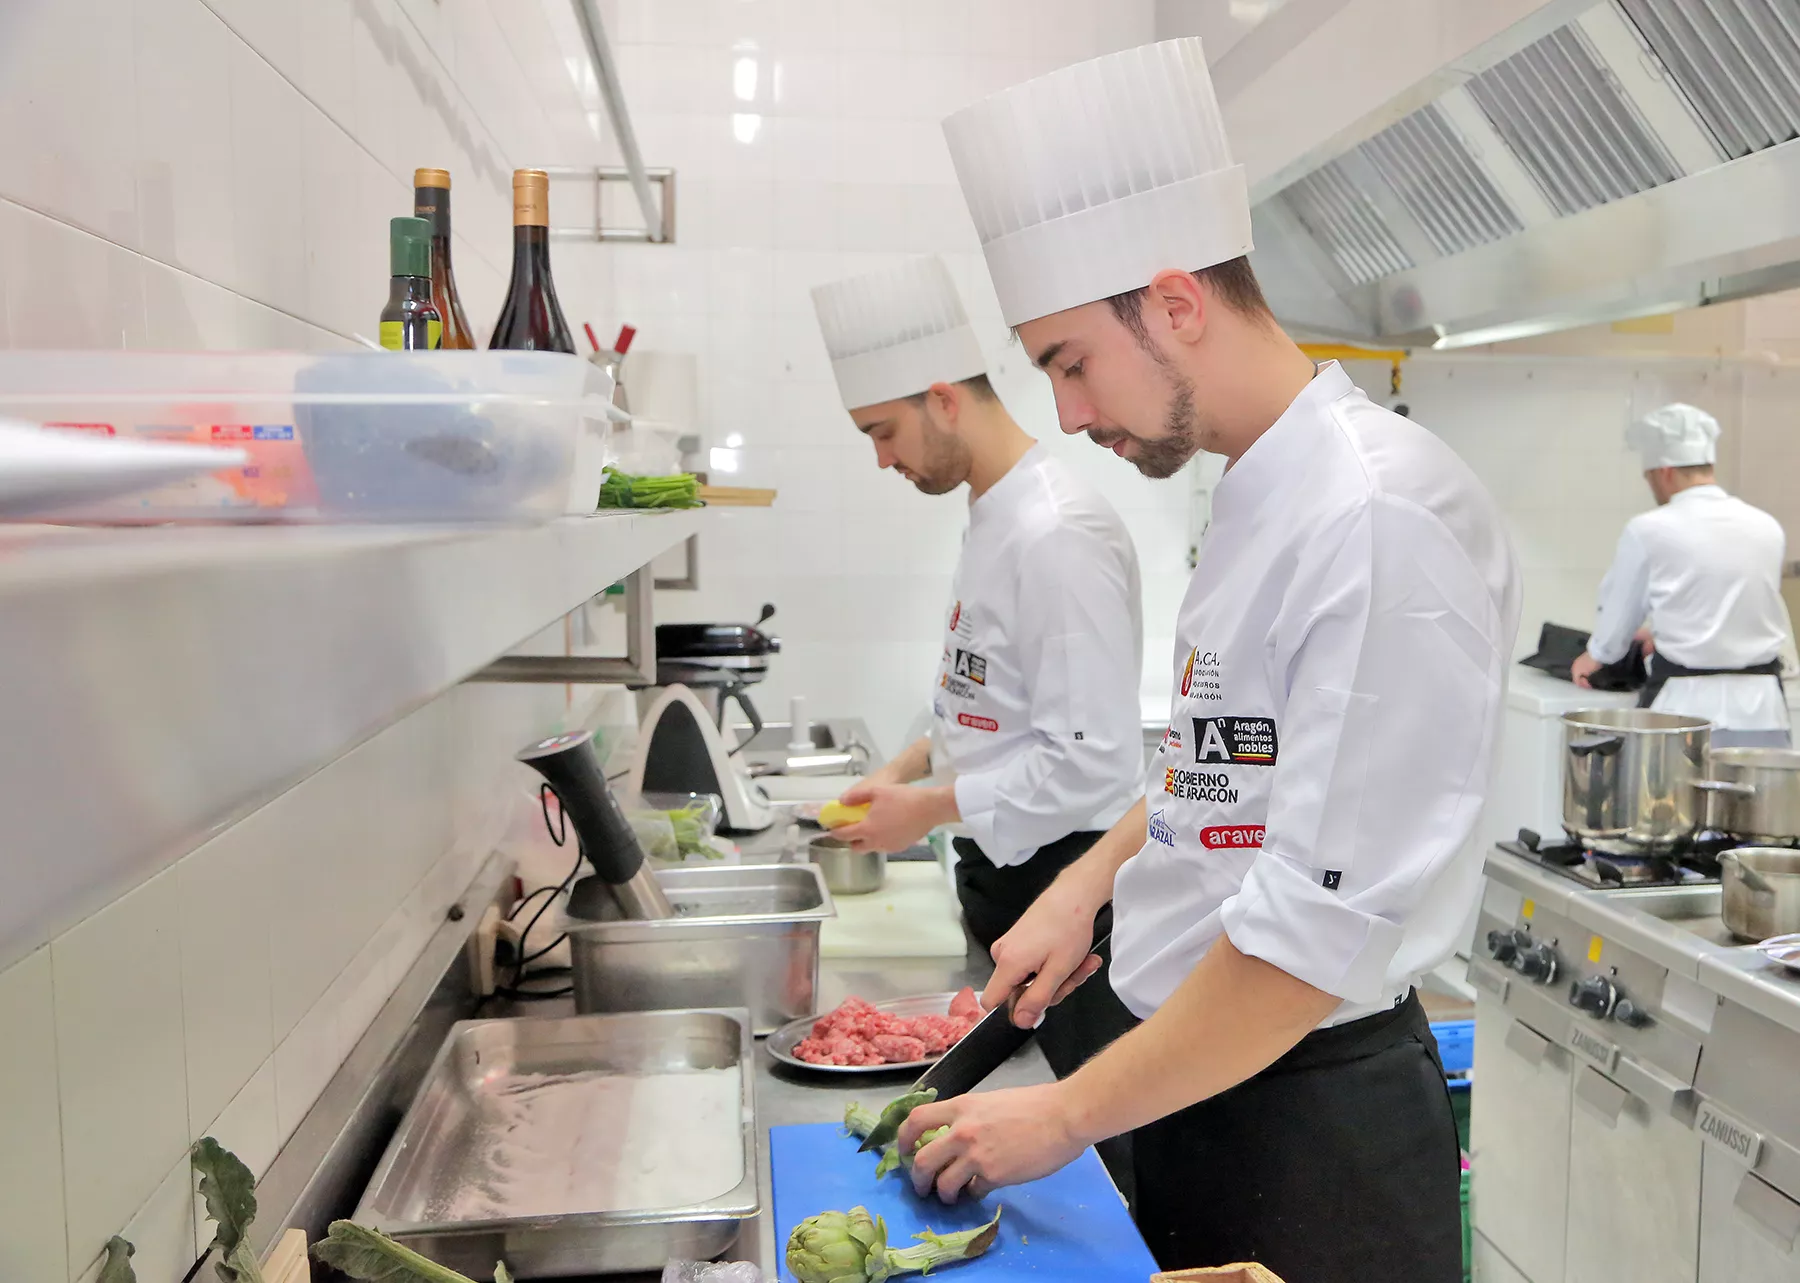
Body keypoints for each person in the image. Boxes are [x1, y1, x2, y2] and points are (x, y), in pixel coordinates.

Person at [894, 38, 1522, 1283]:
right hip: (1199, 1081)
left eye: (1072, 360)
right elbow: (1221, 765)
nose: (1066, 415)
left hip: (1313, 1129)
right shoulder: (1258, 492)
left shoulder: (1375, 514)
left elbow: (1307, 937)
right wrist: (1088, 889)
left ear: (1177, 304)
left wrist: (1065, 1114)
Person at [807, 256, 1145, 1105]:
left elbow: (1091, 762)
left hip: (1071, 898)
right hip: (1006, 880)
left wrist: (922, 810)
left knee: (1080, 1152)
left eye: (883, 431)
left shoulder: (1056, 533)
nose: (883, 459)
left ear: (944, 400)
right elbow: (994, 700)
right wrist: (907, 767)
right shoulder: (996, 514)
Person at [1570, 403, 1793, 748]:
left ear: (1664, 471)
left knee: (1671, 804)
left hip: (1683, 715)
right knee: (1753, 803)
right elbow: (1729, 607)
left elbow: (1614, 630)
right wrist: (1662, 631)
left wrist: (1594, 656)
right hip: (1763, 713)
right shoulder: (1767, 527)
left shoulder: (1648, 530)